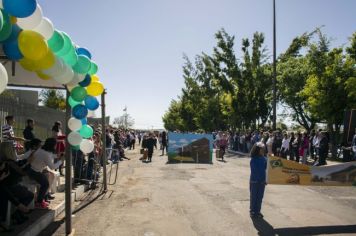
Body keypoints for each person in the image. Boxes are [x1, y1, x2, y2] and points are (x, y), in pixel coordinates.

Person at [27, 138, 64, 209]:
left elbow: (50, 155)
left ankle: (41, 199)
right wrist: (61, 161)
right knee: (45, 184)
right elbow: (52, 167)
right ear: (52, 145)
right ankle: (39, 202)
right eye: (55, 145)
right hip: (34, 172)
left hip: (32, 170)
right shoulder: (46, 154)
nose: (56, 146)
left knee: (46, 179)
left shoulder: (41, 150)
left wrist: (57, 156)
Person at [249, 142, 267, 218]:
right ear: (257, 150)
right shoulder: (253, 159)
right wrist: (257, 179)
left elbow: (267, 169)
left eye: (264, 149)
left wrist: (265, 179)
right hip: (254, 181)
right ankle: (252, 210)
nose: (263, 150)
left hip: (262, 181)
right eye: (262, 149)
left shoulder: (265, 159)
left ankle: (258, 211)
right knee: (254, 196)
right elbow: (254, 171)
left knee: (260, 197)